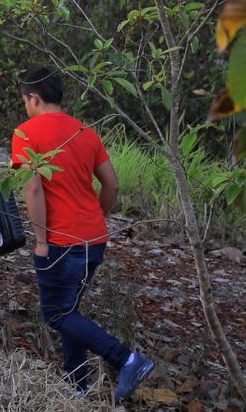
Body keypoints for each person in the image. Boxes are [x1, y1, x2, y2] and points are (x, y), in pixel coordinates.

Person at [12, 67, 153, 401]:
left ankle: (127, 359)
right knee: (70, 308)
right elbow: (112, 184)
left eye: (25, 101)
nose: (25, 107)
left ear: (33, 97)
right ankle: (77, 383)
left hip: (60, 241)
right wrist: (95, 219)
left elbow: (33, 192)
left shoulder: (26, 133)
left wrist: (42, 240)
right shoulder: (84, 132)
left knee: (57, 313)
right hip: (94, 238)